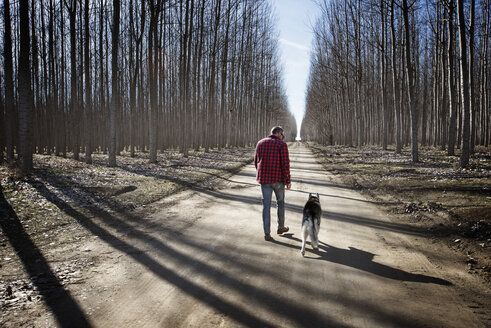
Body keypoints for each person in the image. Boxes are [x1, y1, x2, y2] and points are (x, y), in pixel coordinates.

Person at [254, 126, 291, 241]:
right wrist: (288, 180)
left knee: (266, 206)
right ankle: (280, 227)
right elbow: (285, 164)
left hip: (264, 180)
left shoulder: (260, 143)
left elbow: (256, 161)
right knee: (280, 203)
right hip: (278, 180)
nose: (282, 136)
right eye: (282, 134)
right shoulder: (281, 144)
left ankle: (267, 233)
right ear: (279, 133)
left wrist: (261, 173)